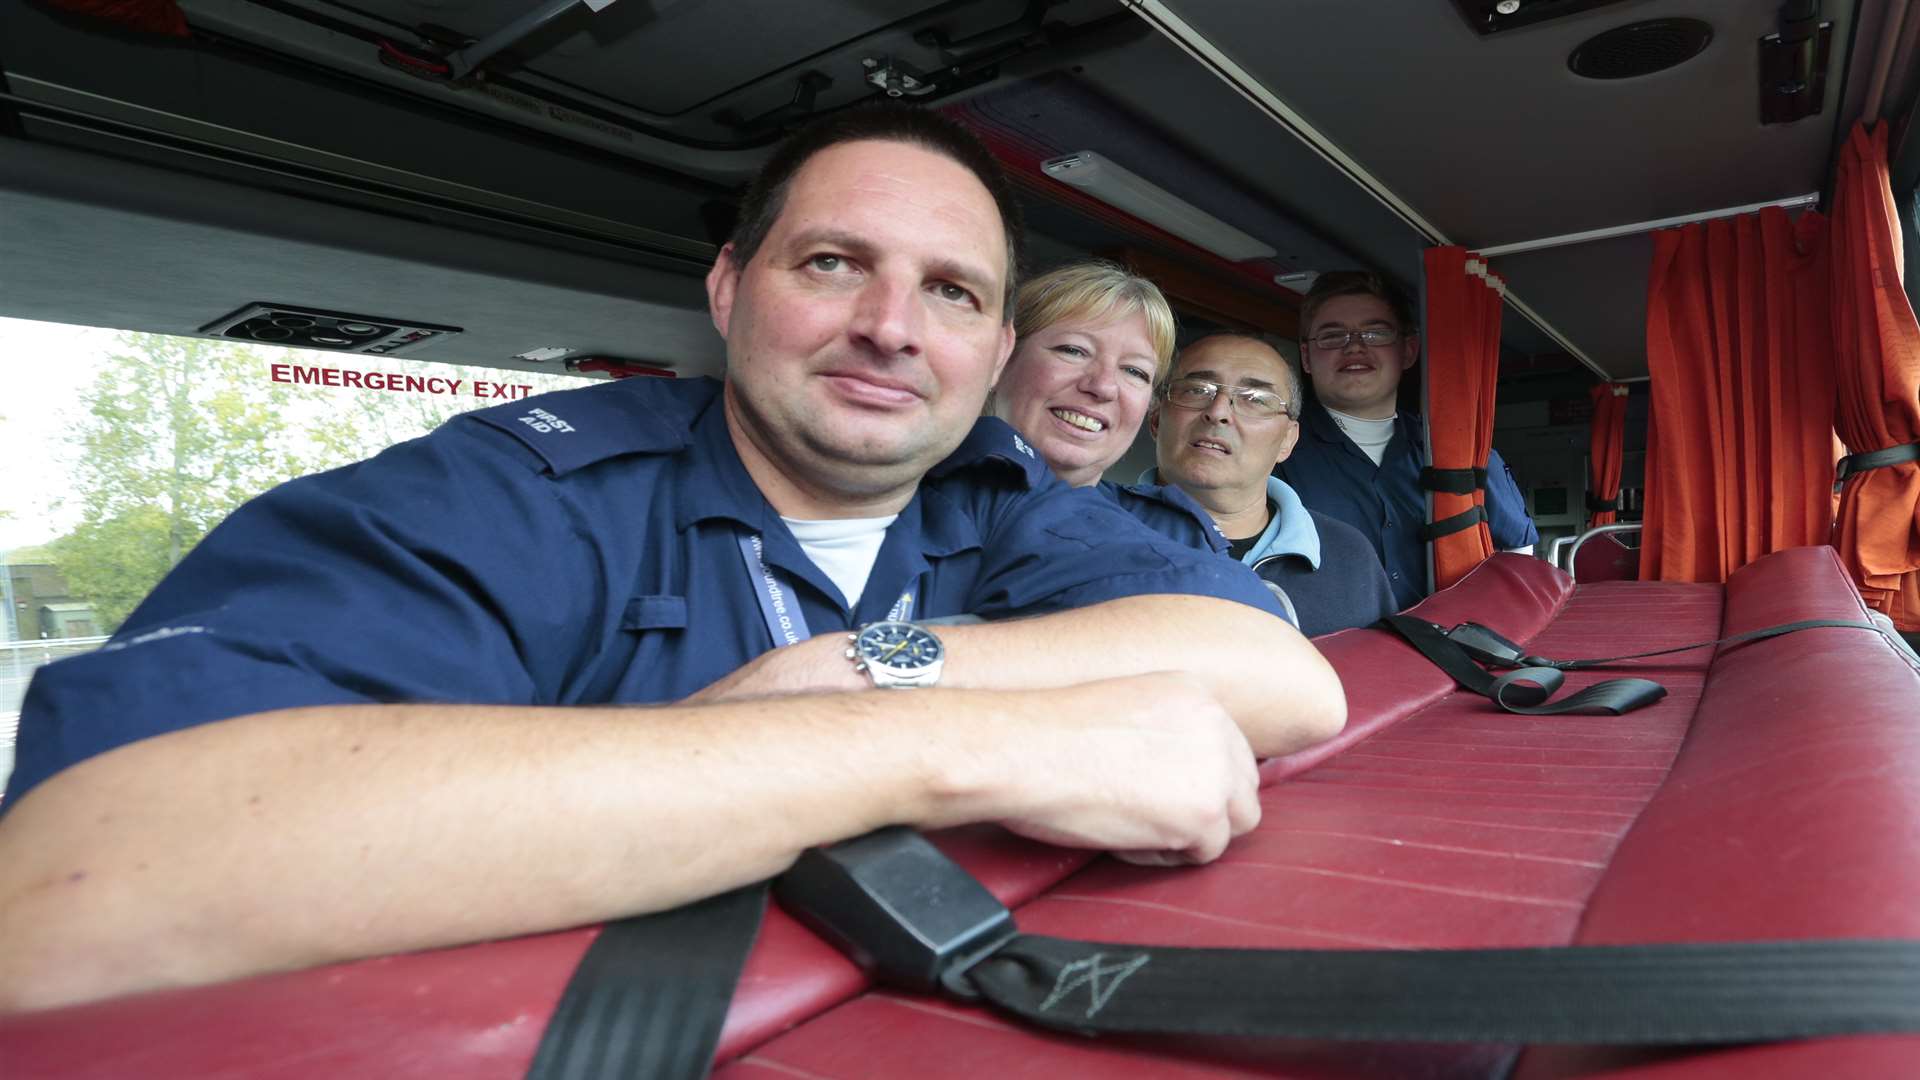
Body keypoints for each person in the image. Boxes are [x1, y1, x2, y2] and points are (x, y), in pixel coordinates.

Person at [0, 106, 1344, 1012]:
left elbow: (1279, 677)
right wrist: (940, 742)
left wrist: (859, 670)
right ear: (727, 291)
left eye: (951, 292)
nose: (890, 326)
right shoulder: (520, 494)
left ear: (989, 354)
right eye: (833, 263)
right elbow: (77, 884)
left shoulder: (995, 500)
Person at [1278, 271, 1537, 610]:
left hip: (1451, 651)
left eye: (1375, 333)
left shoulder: (1464, 452)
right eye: (1332, 335)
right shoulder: (1272, 452)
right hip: (1328, 657)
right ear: (1308, 358)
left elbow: (1520, 557)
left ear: (1408, 350)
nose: (1354, 346)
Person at [1147, 334, 1396, 637]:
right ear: (1156, 419)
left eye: (1255, 399)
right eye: (1198, 390)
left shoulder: (1348, 554)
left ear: (1288, 440)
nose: (1219, 411)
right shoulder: (1093, 532)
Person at [989, 260, 1226, 552]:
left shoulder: (1178, 541)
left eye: (1134, 371)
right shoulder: (918, 497)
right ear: (1001, 356)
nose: (1103, 387)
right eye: (1074, 351)